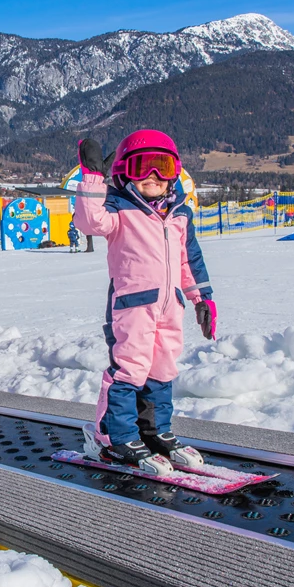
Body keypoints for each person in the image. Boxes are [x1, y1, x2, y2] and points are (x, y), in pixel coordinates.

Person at [74, 130, 216, 476]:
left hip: (170, 305)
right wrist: (92, 179)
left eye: (162, 166)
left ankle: (154, 433)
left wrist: (202, 297)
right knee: (130, 368)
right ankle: (115, 437)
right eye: (143, 166)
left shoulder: (179, 213)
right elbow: (88, 222)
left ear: (175, 172)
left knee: (163, 368)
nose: (153, 176)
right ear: (125, 171)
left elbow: (188, 259)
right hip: (133, 305)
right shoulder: (118, 209)